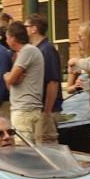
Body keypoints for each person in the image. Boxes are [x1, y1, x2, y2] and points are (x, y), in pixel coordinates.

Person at [3, 20, 44, 145]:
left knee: (22, 151)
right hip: (24, 107)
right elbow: (11, 86)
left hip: (25, 109)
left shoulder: (27, 51)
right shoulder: (22, 53)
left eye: (7, 38)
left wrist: (6, 76)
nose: (6, 41)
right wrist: (11, 78)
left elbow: (10, 80)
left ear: (13, 38)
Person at [25, 13, 62, 144]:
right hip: (39, 109)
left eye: (26, 26)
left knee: (46, 145)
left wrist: (47, 111)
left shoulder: (47, 50)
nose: (25, 29)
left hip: (46, 110)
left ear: (34, 29)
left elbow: (53, 82)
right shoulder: (37, 49)